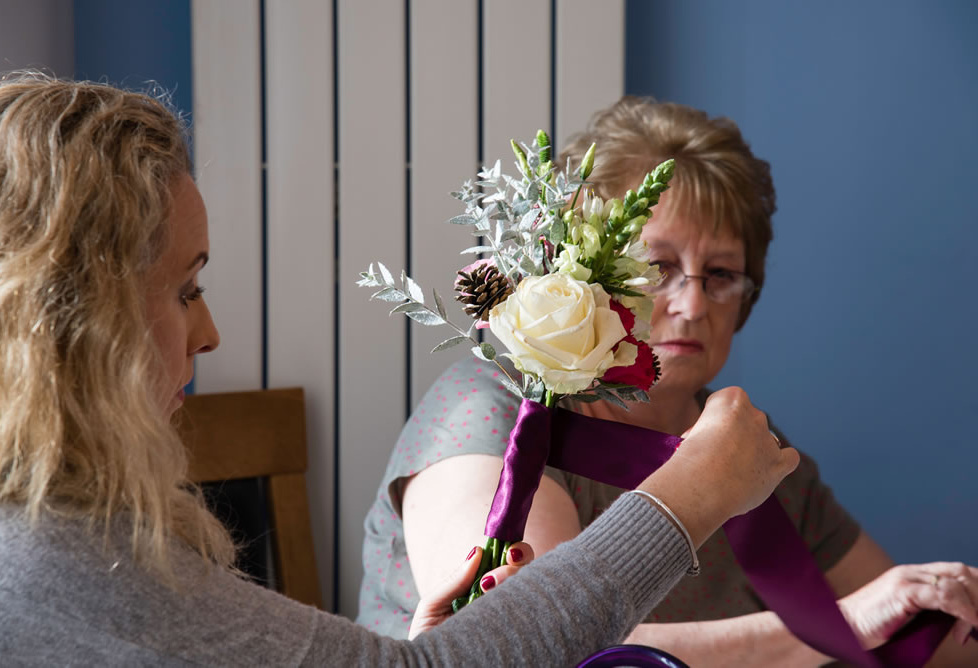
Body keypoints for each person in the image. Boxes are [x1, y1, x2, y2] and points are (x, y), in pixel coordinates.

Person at [0, 76, 809, 666]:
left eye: (721, 273)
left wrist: (430, 647)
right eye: (186, 287)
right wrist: (692, 496)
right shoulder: (56, 561)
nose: (210, 331)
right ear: (75, 316)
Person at [358, 96, 978, 664]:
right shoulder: (492, 417)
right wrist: (834, 628)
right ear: (585, 273)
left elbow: (920, 632)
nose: (693, 304)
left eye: (721, 274)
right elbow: (533, 645)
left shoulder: (751, 448)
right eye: (657, 267)